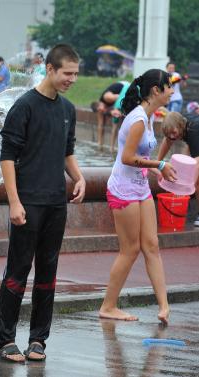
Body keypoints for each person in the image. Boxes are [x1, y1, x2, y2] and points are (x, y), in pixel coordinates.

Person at [0, 44, 85, 362]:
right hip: (28, 202)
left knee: (48, 272)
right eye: (67, 73)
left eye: (76, 73)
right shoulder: (24, 106)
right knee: (18, 271)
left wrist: (79, 177)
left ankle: (38, 340)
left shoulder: (67, 109)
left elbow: (66, 151)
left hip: (55, 204)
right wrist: (14, 202)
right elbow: (7, 157)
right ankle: (6, 340)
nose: (72, 79)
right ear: (50, 69)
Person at [99, 69, 176, 324]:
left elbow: (140, 157)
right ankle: (108, 306)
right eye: (169, 87)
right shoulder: (138, 120)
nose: (172, 91)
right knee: (130, 250)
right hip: (123, 188)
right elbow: (127, 158)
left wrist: (157, 167)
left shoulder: (149, 115)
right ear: (156, 90)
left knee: (151, 245)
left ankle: (164, 307)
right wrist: (160, 165)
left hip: (140, 186)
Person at [157, 108, 199, 226]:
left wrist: (186, 186)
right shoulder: (180, 121)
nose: (172, 137)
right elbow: (168, 141)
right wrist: (158, 163)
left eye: (173, 133)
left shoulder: (193, 131)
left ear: (180, 125)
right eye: (168, 134)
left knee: (197, 182)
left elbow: (197, 162)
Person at [91, 81, 129, 151]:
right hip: (117, 97)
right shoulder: (100, 108)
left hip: (125, 86)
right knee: (114, 116)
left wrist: (113, 110)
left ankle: (112, 147)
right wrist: (99, 145)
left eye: (100, 110)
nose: (101, 111)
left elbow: (119, 97)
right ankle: (100, 144)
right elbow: (100, 125)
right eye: (100, 111)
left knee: (115, 119)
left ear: (100, 104)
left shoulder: (107, 97)